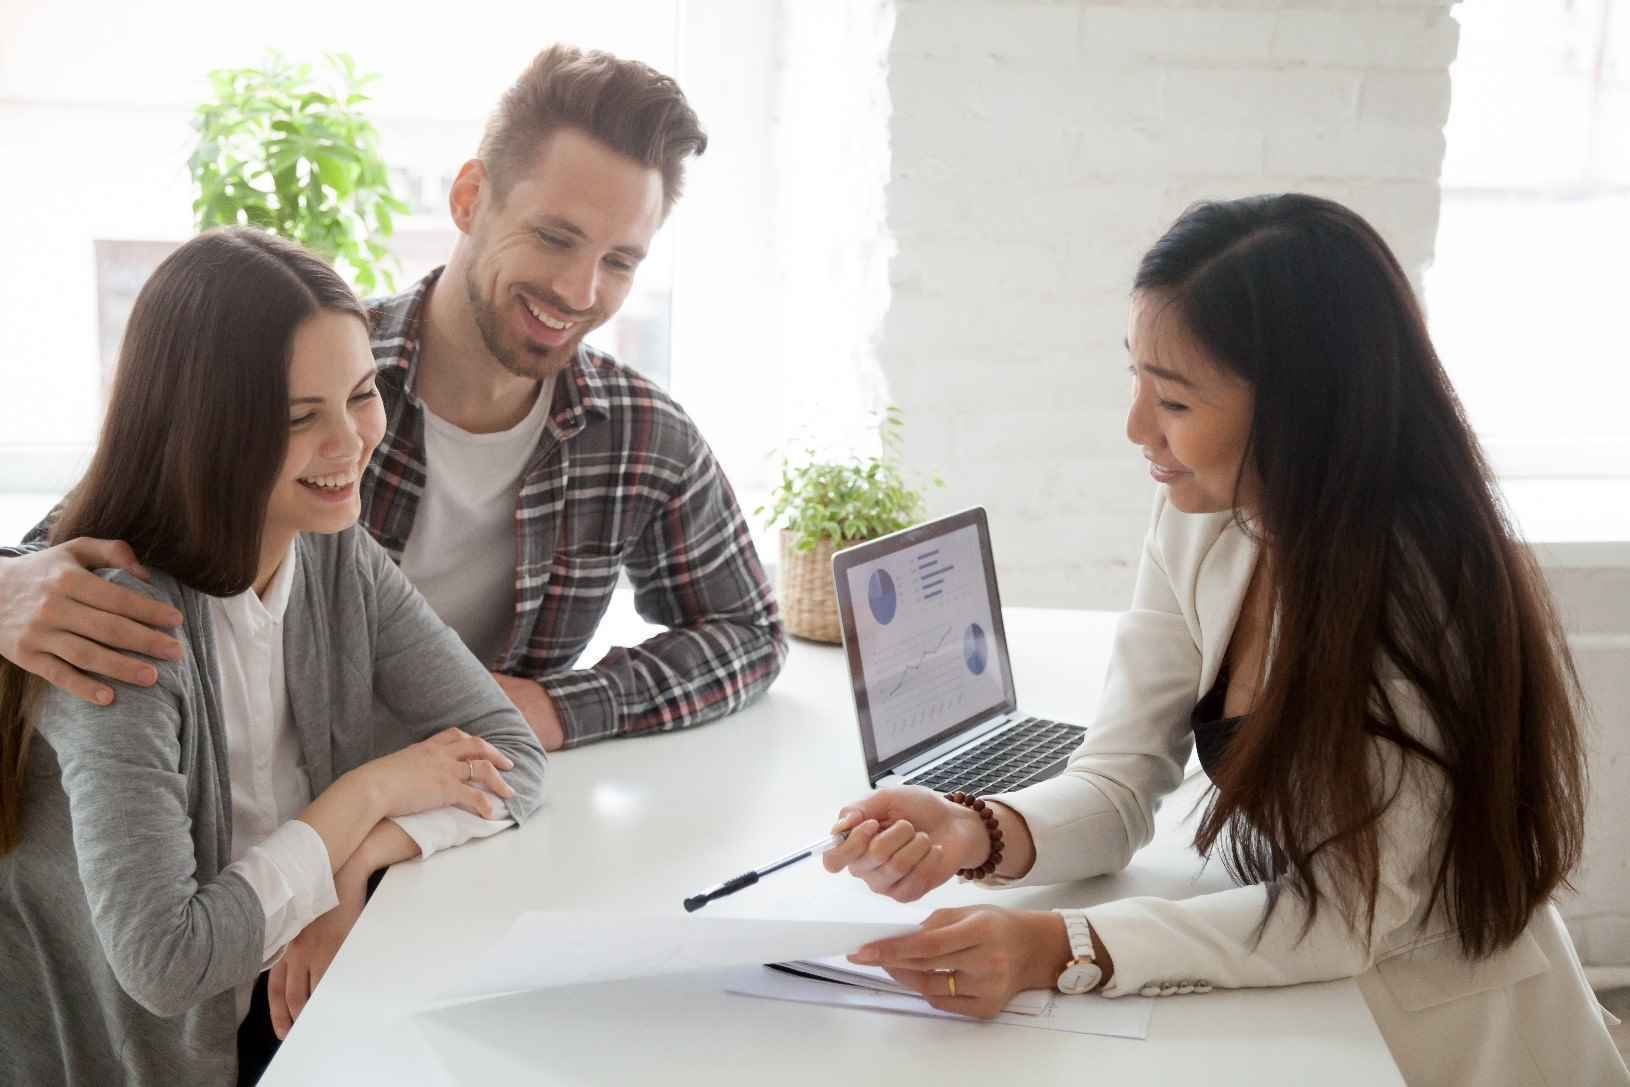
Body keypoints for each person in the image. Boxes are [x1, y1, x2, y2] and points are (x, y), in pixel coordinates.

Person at [820, 195, 1628, 1086]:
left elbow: (1346, 913)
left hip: (1447, 1036)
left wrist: (1055, 945)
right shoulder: (1203, 516)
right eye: (1136, 379)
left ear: (1301, 411)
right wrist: (973, 829)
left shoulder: (1416, 588)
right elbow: (1119, 779)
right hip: (1315, 1003)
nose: (1137, 428)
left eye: (1173, 398)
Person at [0, 44, 785, 752]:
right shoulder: (313, 376)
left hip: (465, 812)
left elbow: (749, 632)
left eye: (620, 261)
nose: (580, 292)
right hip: (267, 821)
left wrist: (557, 706)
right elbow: (64, 548)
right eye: (554, 237)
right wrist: (7, 590)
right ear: (469, 198)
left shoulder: (639, 436)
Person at [0, 228, 549, 1087]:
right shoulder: (118, 623)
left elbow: (511, 752)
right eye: (298, 418)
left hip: (296, 992)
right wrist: (365, 794)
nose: (350, 441)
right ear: (204, 430)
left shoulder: (332, 552)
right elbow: (168, 962)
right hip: (167, 1054)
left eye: (361, 395)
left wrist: (353, 862)